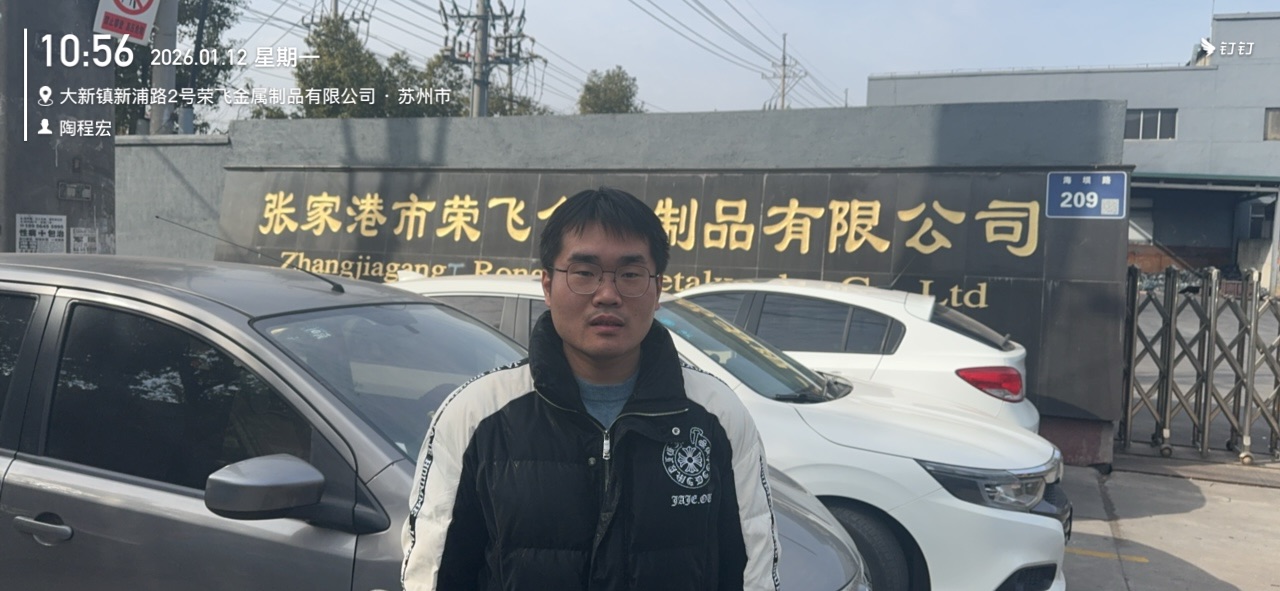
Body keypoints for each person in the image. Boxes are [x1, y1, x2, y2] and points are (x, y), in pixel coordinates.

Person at [401, 187, 780, 590]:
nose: (608, 295)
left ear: (657, 289)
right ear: (547, 285)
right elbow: (433, 575)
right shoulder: (477, 416)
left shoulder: (716, 415)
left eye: (630, 275)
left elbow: (752, 573)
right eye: (584, 273)